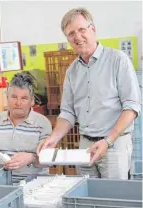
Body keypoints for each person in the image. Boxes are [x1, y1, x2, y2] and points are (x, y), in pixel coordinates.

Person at [37, 8, 141, 179]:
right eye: (71, 34)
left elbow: (132, 107)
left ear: (93, 29)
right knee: (86, 196)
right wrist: (53, 138)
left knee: (113, 199)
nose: (77, 37)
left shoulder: (118, 60)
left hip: (114, 144)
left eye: (81, 30)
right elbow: (68, 112)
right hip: (84, 145)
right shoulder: (71, 71)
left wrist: (108, 140)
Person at [0, 72, 52, 176]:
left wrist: (31, 158)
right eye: (14, 97)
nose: (18, 103)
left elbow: (49, 161)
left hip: (33, 185)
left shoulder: (42, 124)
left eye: (24, 98)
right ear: (7, 97)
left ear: (32, 101)